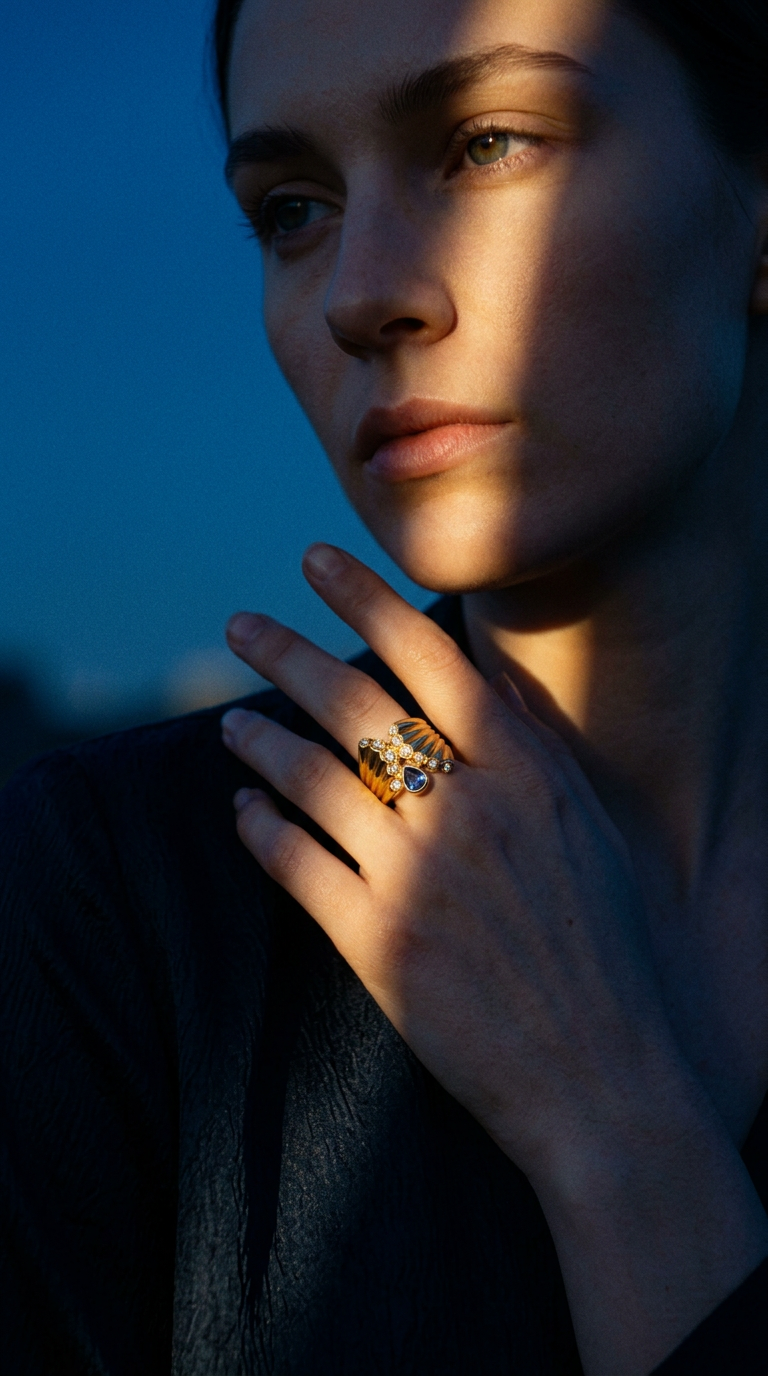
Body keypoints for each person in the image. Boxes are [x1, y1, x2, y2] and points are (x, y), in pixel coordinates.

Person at [1, 0, 767, 1371]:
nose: (361, 292)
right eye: (291, 207)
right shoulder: (104, 901)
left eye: (483, 142)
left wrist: (616, 1128)